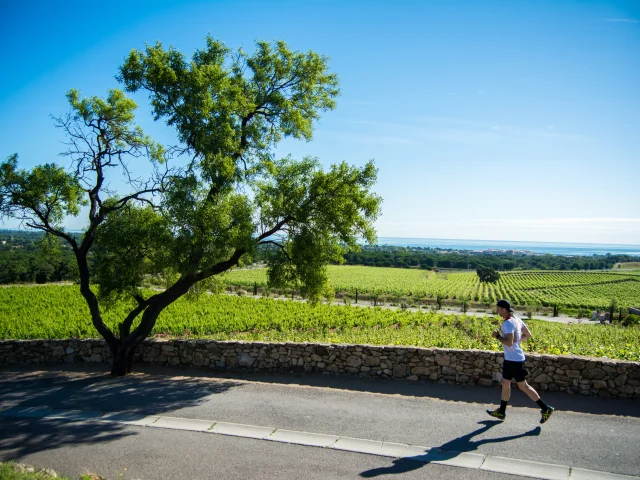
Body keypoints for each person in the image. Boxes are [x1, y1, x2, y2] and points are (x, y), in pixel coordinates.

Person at [486, 299, 555, 424]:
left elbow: (509, 342)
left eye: (498, 308)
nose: (497, 311)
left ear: (503, 309)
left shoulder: (507, 324)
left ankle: (545, 408)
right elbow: (528, 334)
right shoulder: (516, 319)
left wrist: (497, 336)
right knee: (505, 383)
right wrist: (517, 343)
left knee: (523, 386)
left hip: (513, 360)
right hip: (513, 358)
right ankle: (501, 411)